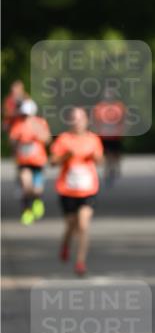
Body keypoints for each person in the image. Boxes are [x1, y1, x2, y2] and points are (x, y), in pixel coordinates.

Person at [50, 106, 104, 276]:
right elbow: (52, 162)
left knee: (83, 225)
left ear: (86, 121)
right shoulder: (64, 139)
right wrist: (66, 155)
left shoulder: (93, 139)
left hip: (88, 189)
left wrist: (95, 157)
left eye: (80, 118)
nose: (77, 122)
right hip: (67, 190)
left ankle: (80, 262)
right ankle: (65, 244)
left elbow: (100, 161)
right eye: (74, 118)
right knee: (70, 226)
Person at [8, 99, 52, 224]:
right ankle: (26, 211)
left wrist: (37, 136)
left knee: (37, 190)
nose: (25, 116)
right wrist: (18, 142)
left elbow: (48, 140)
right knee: (26, 187)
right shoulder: (18, 124)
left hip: (38, 161)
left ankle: (37, 201)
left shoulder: (40, 123)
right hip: (24, 161)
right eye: (24, 114)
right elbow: (12, 140)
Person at [91, 84, 126, 185]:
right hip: (103, 135)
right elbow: (95, 121)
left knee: (115, 154)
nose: (109, 96)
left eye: (111, 94)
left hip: (115, 135)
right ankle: (107, 170)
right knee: (106, 154)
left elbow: (124, 120)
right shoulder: (99, 107)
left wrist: (122, 130)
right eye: (107, 94)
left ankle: (115, 168)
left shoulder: (119, 106)